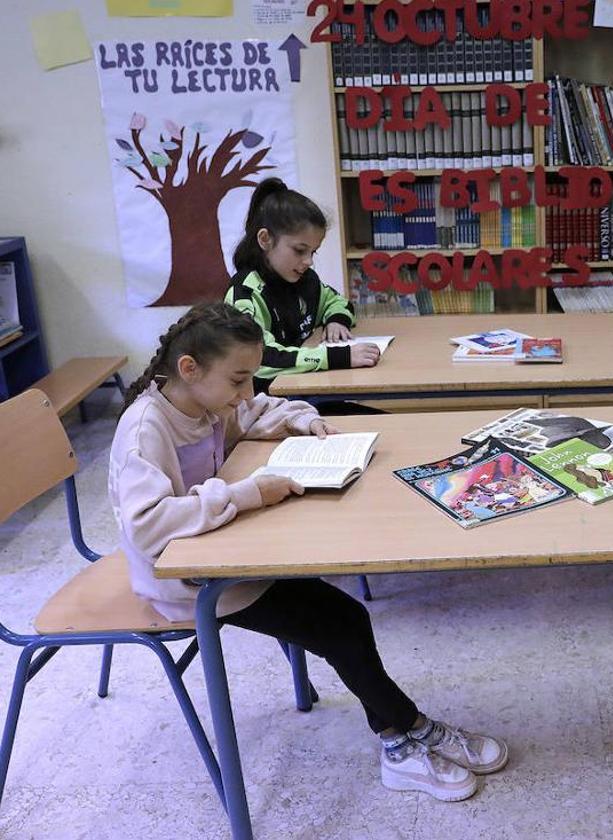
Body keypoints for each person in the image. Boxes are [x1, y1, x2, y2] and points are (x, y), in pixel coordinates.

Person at [109, 302, 506, 802]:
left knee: (341, 615)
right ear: (189, 369)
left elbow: (252, 413)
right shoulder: (145, 429)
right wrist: (247, 492)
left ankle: (403, 736)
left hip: (224, 550)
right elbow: (148, 527)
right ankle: (408, 732)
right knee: (341, 624)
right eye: (238, 379)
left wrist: (301, 420)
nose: (245, 392)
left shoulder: (205, 402)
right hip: (184, 582)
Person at [225, 177, 380, 396]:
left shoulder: (305, 279)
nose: (308, 261)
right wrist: (339, 357)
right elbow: (259, 357)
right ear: (265, 239)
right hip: (267, 404)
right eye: (299, 250)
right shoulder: (245, 293)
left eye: (313, 252)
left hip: (305, 388)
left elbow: (338, 302)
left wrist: (336, 321)